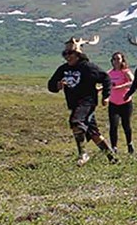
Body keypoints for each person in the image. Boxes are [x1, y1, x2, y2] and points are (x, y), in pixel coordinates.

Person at [47, 35, 118, 166]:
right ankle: (113, 158)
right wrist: (57, 86)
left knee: (76, 122)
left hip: (88, 102)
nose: (67, 56)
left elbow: (106, 78)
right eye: (65, 54)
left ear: (78, 54)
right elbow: (51, 85)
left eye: (70, 53)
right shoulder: (63, 69)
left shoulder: (88, 67)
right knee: (94, 133)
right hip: (74, 104)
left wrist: (106, 96)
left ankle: (83, 154)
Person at [107, 51, 135, 154]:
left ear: (122, 60)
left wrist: (120, 87)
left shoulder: (126, 72)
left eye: (118, 59)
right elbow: (108, 85)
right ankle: (114, 147)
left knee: (126, 124)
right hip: (113, 103)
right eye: (114, 59)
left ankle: (129, 144)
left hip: (125, 102)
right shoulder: (109, 73)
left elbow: (132, 83)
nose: (116, 61)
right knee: (113, 125)